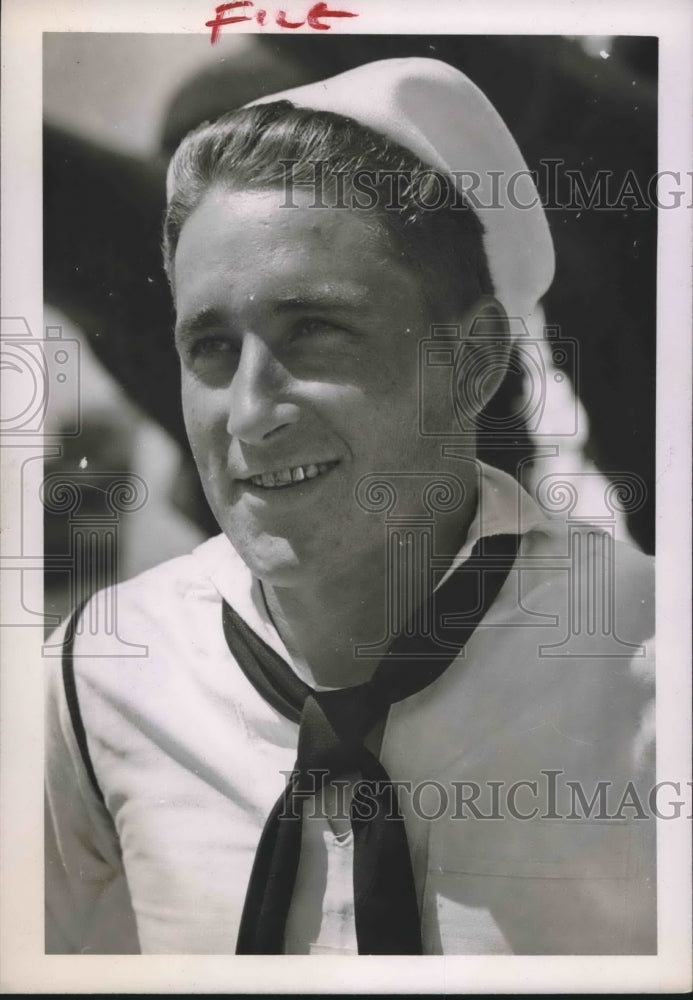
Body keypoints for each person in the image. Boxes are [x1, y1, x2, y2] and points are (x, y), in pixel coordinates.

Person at [45, 58, 655, 956]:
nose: (250, 414)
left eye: (316, 330)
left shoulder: (650, 673)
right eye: (208, 346)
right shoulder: (95, 678)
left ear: (473, 359)